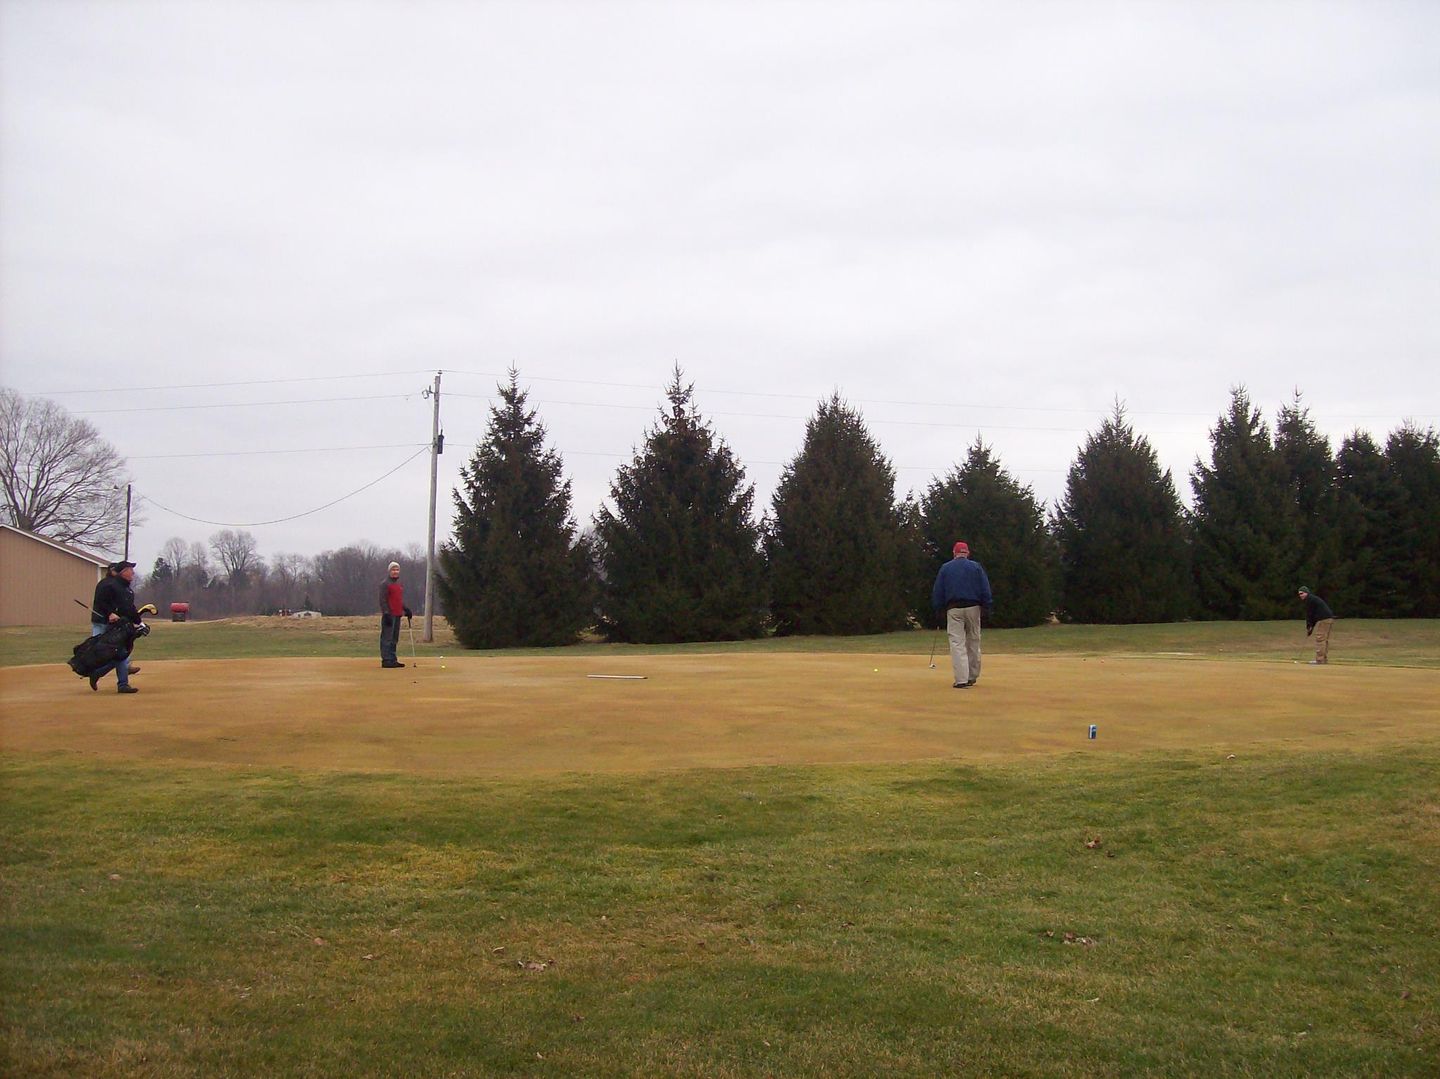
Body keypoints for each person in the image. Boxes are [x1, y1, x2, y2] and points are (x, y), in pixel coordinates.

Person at [931, 540, 993, 689]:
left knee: (957, 642)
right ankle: (972, 676)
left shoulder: (946, 568)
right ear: (967, 553)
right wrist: (987, 606)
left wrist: (938, 609)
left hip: (954, 609)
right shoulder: (976, 567)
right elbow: (985, 588)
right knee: (974, 641)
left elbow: (938, 590)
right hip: (973, 607)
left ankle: (961, 679)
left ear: (954, 553)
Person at [90, 560, 145, 693]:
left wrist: (139, 622)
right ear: (123, 572)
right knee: (116, 654)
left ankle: (119, 683)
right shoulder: (110, 585)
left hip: (121, 625)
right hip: (109, 624)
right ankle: (103, 675)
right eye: (130, 569)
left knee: (121, 654)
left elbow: (130, 608)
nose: (132, 572)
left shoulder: (127, 589)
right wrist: (109, 613)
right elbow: (100, 602)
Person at [378, 561, 413, 669]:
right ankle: (386, 659)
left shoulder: (399, 584)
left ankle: (393, 658)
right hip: (389, 614)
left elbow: (398, 600)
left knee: (394, 638)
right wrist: (386, 612)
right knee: (387, 638)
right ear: (389, 571)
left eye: (397, 570)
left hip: (398, 613)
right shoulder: (385, 584)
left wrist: (406, 609)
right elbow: (383, 600)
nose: (395, 572)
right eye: (393, 570)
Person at [1298, 587, 1335, 665]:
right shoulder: (1312, 599)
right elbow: (1314, 615)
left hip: (1324, 619)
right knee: (1324, 639)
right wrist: (1311, 626)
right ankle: (1323, 659)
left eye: (1302, 593)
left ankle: (1320, 660)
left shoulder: (1309, 600)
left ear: (1306, 593)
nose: (1300, 595)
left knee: (1320, 638)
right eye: (1299, 594)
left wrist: (1309, 626)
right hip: (1328, 618)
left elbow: (1310, 614)